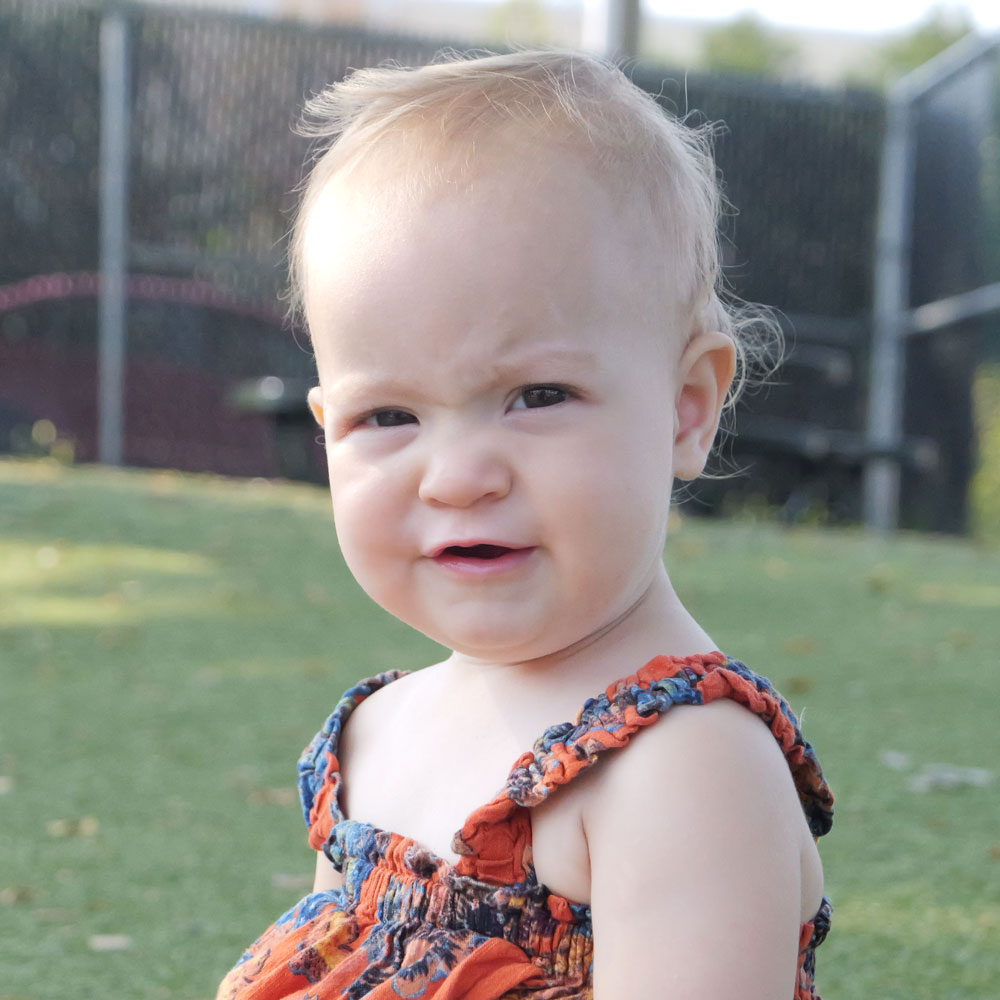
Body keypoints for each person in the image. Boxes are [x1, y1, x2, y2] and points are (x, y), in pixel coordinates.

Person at [216, 48, 833, 1000]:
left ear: (686, 407)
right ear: (326, 430)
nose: (458, 478)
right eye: (389, 417)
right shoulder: (374, 733)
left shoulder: (685, 771)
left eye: (537, 395)